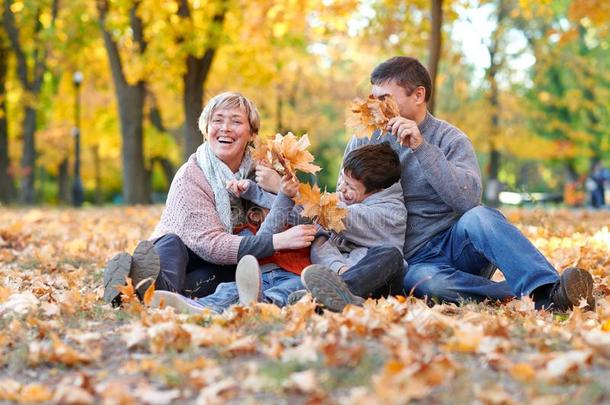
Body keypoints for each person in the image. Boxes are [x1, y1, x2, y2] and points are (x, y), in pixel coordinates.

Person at [343, 56, 595, 311]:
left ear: (418, 95)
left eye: (384, 98)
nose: (375, 106)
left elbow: (467, 201)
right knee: (428, 284)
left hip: (457, 247)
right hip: (412, 262)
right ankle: (522, 295)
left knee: (481, 216)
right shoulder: (364, 141)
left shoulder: (451, 139)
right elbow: (344, 199)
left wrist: (421, 148)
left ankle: (549, 288)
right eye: (373, 98)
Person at [103, 92, 317, 304]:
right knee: (171, 245)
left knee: (218, 279)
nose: (225, 128)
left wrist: (278, 187)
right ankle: (146, 284)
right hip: (183, 255)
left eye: (236, 121)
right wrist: (277, 241)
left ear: (252, 134)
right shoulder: (191, 175)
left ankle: (136, 292)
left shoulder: (265, 170)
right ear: (206, 130)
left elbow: (307, 215)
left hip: (225, 262)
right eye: (217, 120)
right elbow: (211, 245)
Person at [150, 174, 312, 314]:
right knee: (230, 290)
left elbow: (311, 214)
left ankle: (265, 303)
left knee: (298, 285)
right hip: (256, 279)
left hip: (291, 276)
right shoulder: (246, 233)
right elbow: (267, 233)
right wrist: (283, 198)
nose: (287, 211)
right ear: (254, 216)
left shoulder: (300, 226)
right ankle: (196, 307)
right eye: (272, 204)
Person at [299, 143, 407, 312]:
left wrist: (292, 194)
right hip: (338, 277)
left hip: (379, 288)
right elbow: (321, 242)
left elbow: (344, 217)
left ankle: (321, 299)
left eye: (350, 187)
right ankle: (334, 297)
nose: (341, 188)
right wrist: (340, 269)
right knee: (315, 241)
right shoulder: (344, 200)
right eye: (342, 178)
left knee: (392, 255)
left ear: (376, 191)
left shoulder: (392, 213)